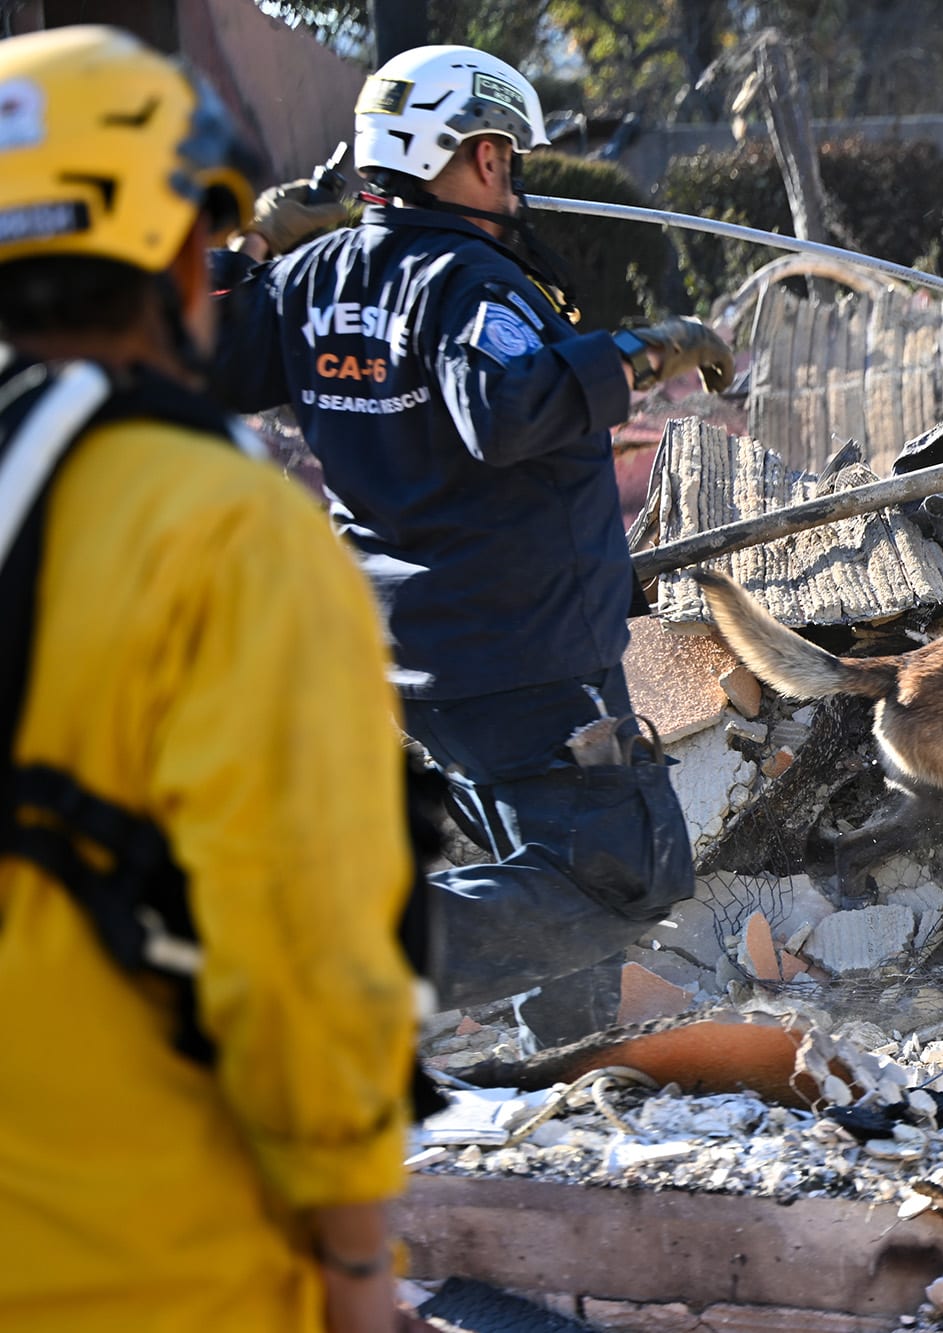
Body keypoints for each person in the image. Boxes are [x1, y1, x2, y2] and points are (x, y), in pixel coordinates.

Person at [0, 26, 420, 1333]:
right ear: (180, 251)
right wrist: (356, 1265)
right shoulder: (226, 533)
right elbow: (302, 948)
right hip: (152, 1265)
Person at [213, 46, 732, 1043]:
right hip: (520, 645)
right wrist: (647, 348)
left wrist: (254, 243)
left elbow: (191, 345)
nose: (513, 174)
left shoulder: (311, 278)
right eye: (507, 153)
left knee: (547, 865)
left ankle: (569, 1062)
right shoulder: (465, 282)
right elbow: (507, 408)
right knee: (621, 875)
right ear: (483, 156)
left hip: (418, 647)